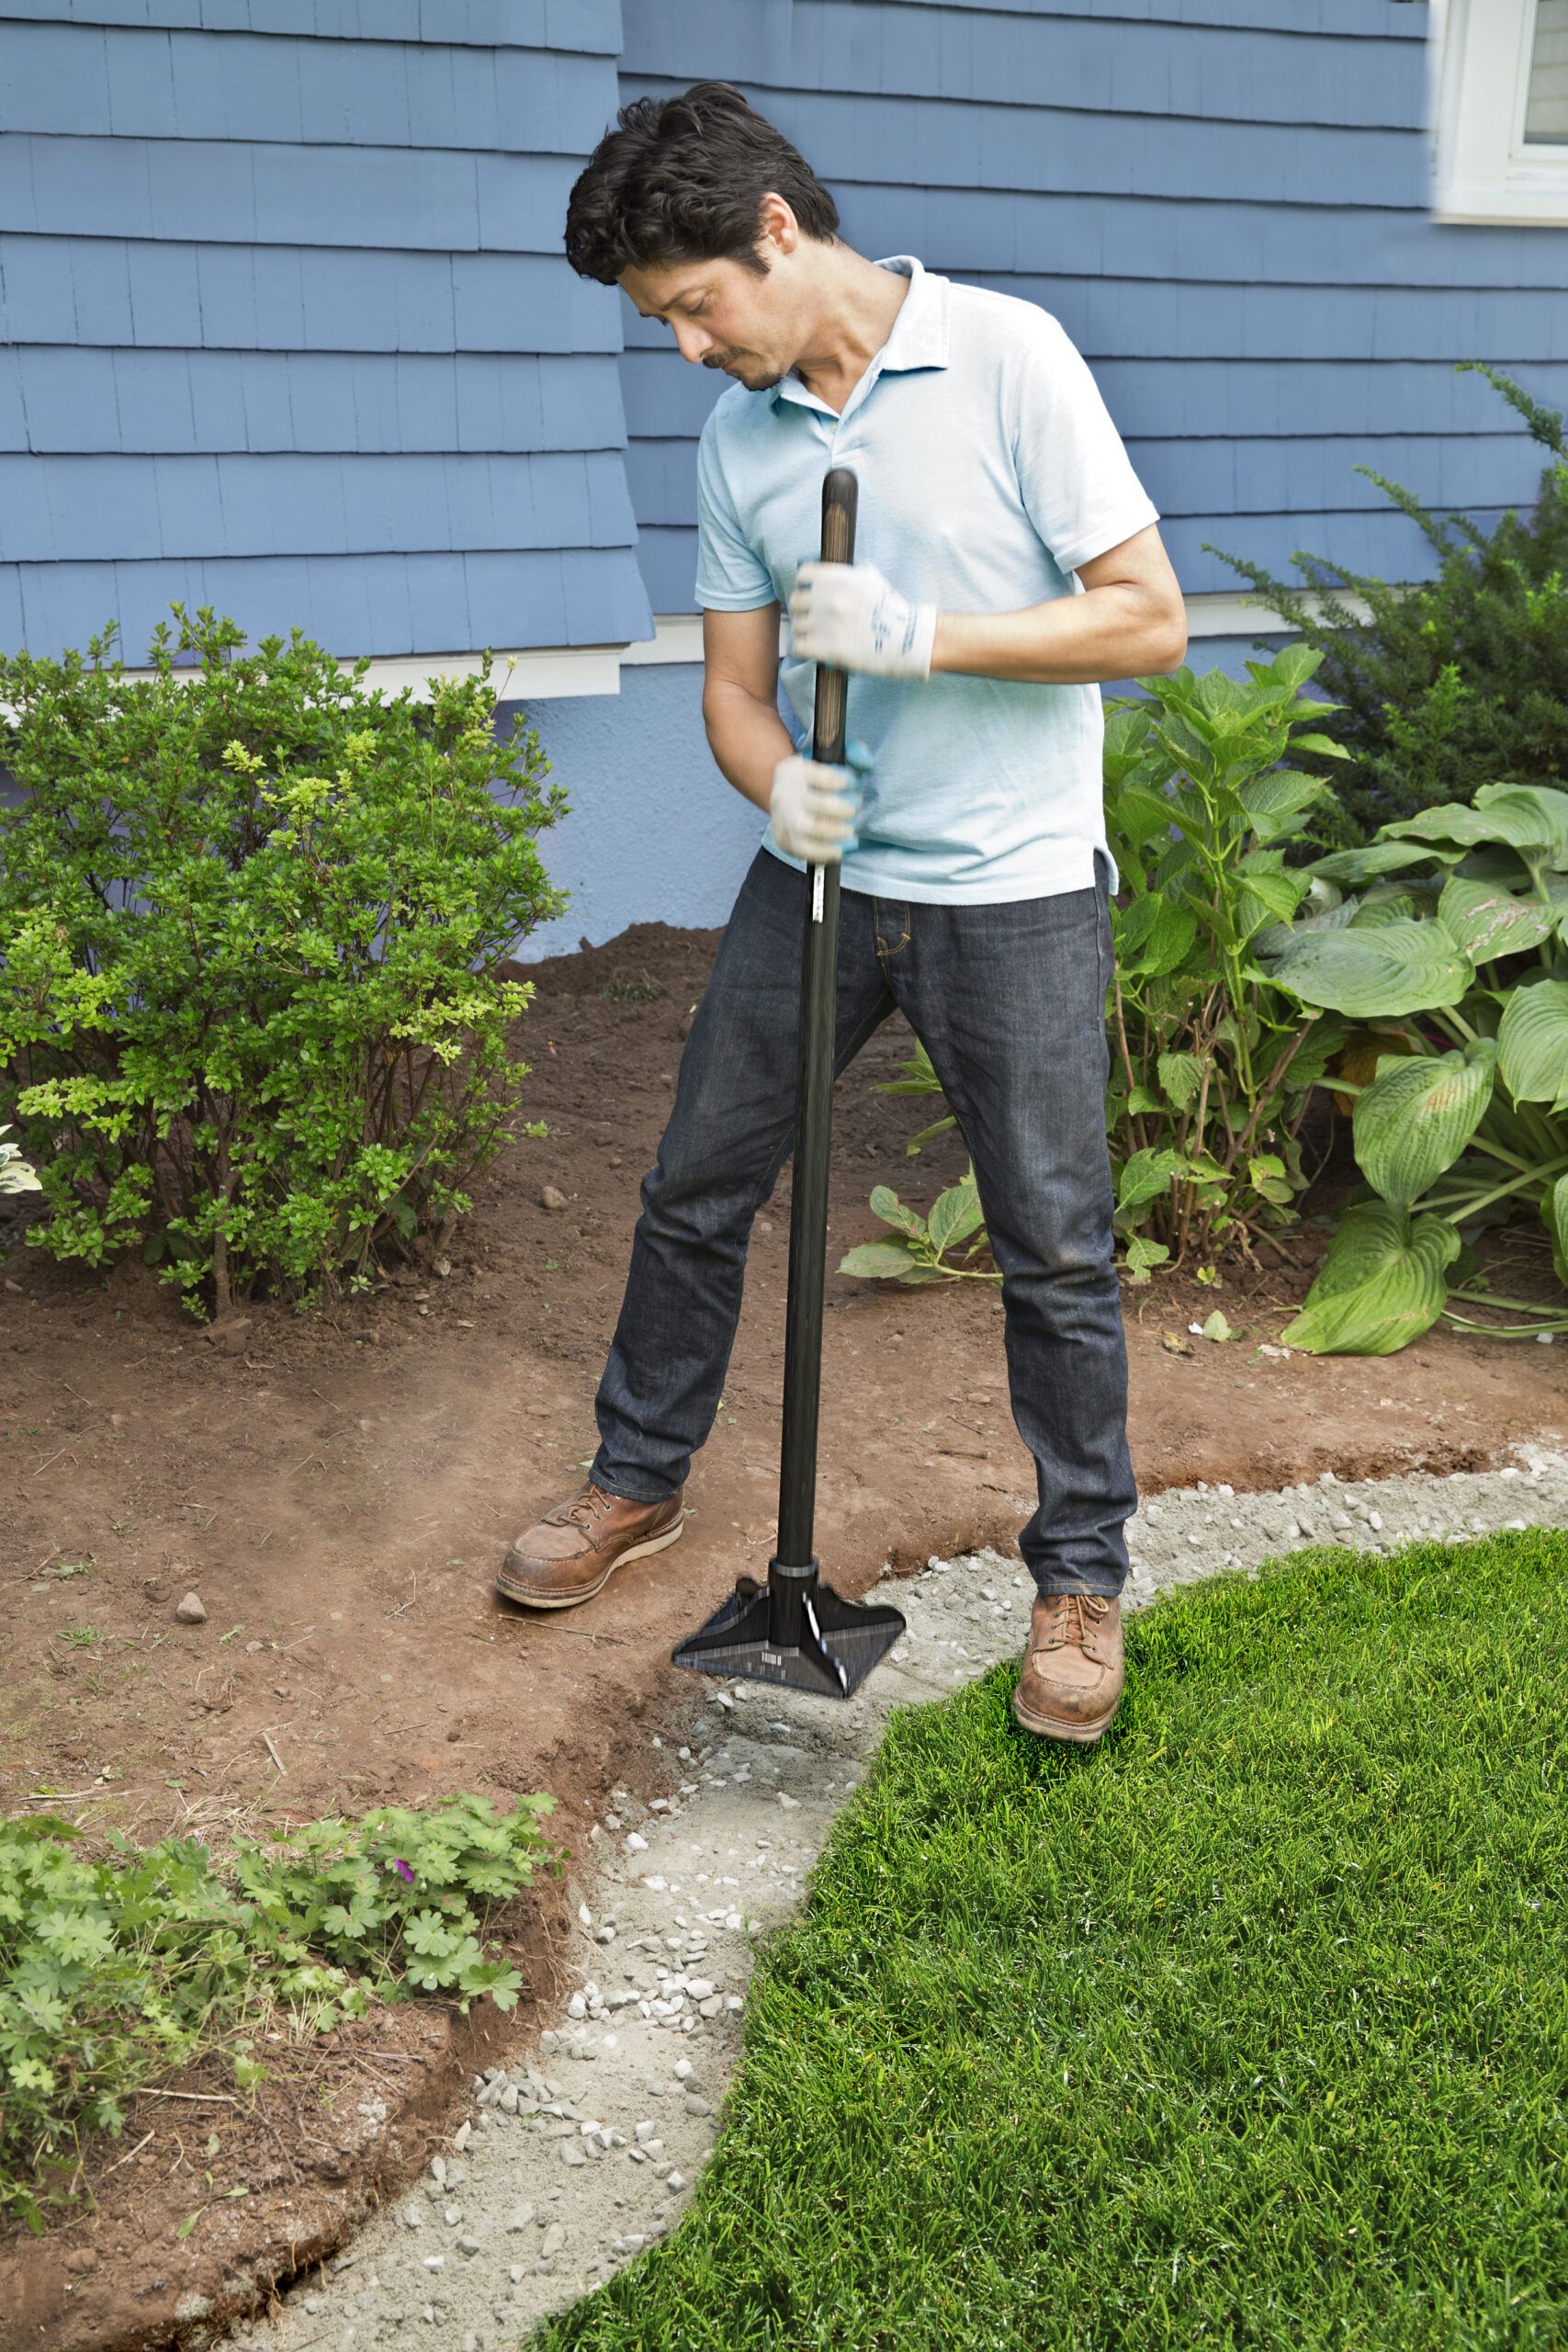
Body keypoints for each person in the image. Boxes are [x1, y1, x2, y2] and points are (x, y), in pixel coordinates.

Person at [498, 81, 1186, 1747]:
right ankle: (633, 1481)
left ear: (779, 233)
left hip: (1011, 895)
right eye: (659, 322)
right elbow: (740, 695)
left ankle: (1079, 1578)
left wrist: (921, 635)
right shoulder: (740, 441)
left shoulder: (1011, 357)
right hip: (816, 884)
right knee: (693, 1185)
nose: (684, 348)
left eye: (692, 306)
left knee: (1056, 1246)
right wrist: (772, 787)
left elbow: (1147, 620)